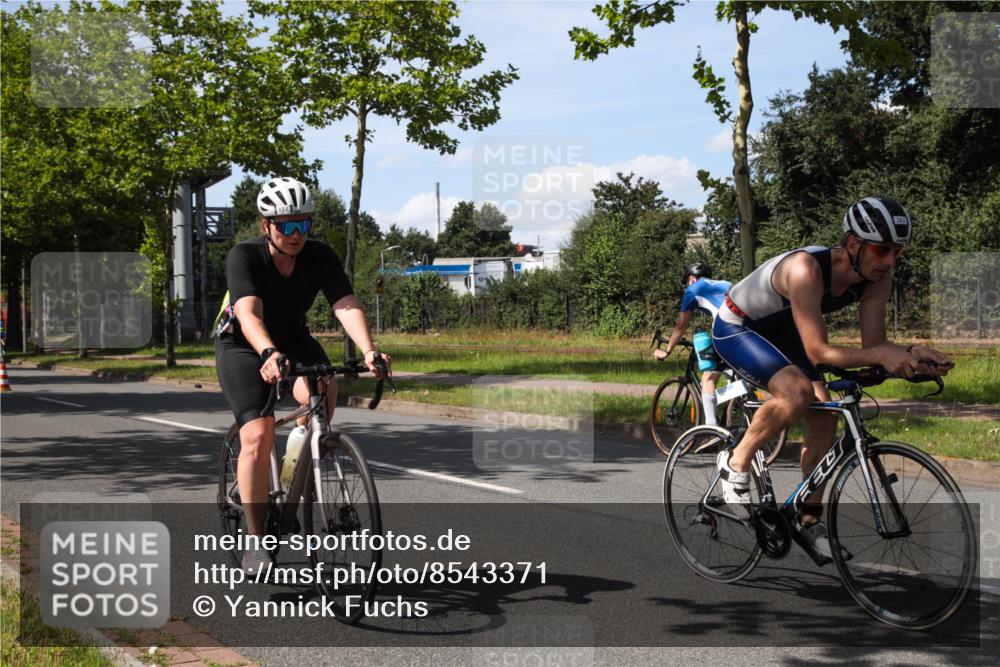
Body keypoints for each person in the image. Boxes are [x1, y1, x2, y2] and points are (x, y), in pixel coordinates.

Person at [711, 195, 952, 561]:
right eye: (882, 249)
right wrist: (883, 355)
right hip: (739, 326)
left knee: (825, 415)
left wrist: (910, 353)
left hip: (788, 333)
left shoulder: (876, 280)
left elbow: (875, 345)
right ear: (853, 244)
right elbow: (819, 353)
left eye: (897, 252)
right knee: (796, 392)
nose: (890, 262)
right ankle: (735, 464)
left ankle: (808, 519)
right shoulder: (805, 270)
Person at [214, 176, 391, 572]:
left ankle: (299, 453)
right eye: (286, 225)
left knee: (323, 395)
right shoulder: (244, 256)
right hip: (243, 342)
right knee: (258, 435)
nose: (296, 234)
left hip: (292, 337)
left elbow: (345, 304)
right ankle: (257, 540)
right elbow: (247, 313)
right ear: (266, 225)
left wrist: (368, 349)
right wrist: (267, 351)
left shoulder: (319, 256)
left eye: (303, 224)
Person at [653, 263, 731, 426]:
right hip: (743, 327)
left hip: (726, 327)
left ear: (692, 279)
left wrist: (667, 351)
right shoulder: (724, 283)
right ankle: (738, 401)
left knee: (708, 377)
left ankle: (712, 430)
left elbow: (681, 326)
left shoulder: (693, 289)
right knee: (729, 372)